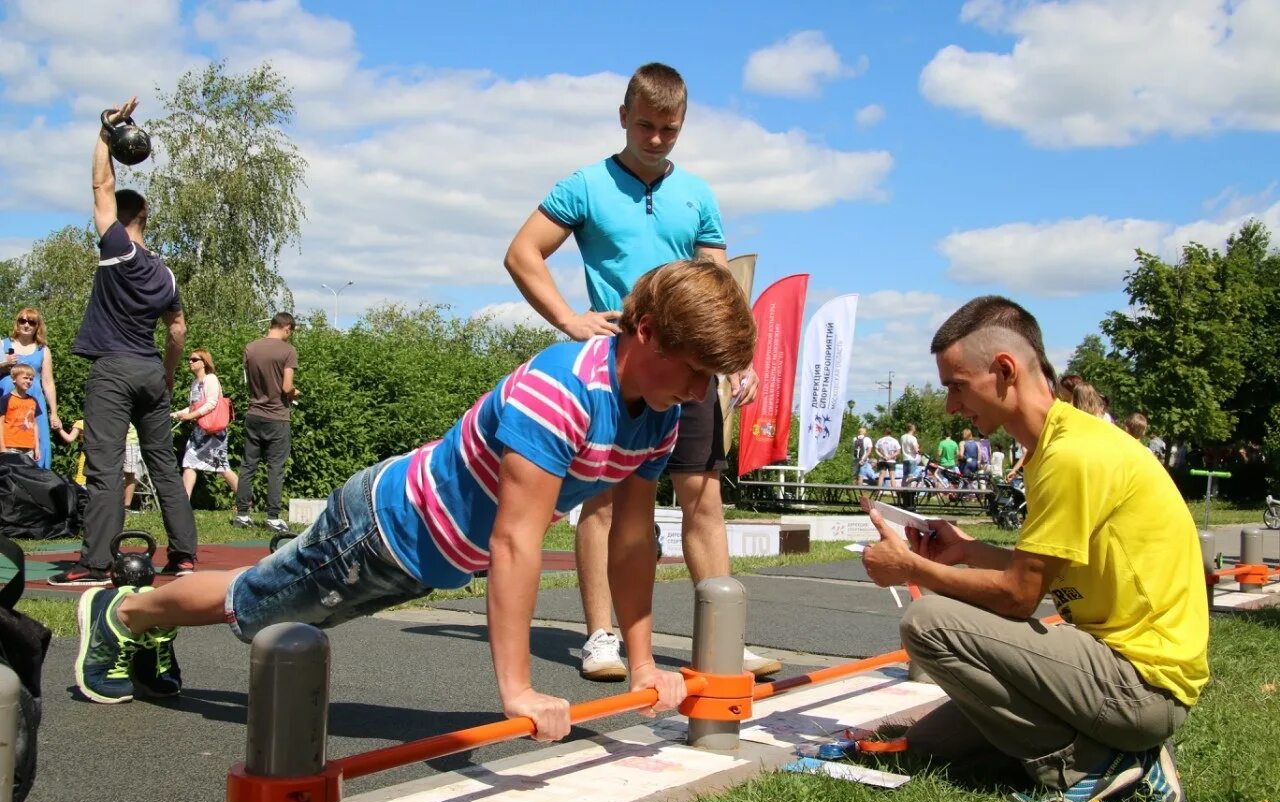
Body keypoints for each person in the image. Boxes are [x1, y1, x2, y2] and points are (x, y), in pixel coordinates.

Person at [74, 259, 753, 742]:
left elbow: (632, 541)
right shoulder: (563, 392)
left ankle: (146, 622)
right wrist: (516, 691)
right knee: (251, 606)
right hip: (379, 529)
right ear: (645, 334)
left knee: (259, 609)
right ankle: (122, 610)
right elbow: (516, 540)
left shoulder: (659, 413)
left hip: (423, 556)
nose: (700, 392)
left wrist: (642, 664)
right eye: (694, 369)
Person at [862, 295, 1207, 802]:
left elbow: (1021, 597)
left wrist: (911, 567)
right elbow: (1046, 572)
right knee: (933, 747)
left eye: (956, 387)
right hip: (1124, 671)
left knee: (928, 622)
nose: (951, 406)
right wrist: (966, 551)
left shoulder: (1070, 455)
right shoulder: (1061, 445)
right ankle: (1116, 751)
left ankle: (1096, 767)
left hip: (1140, 687)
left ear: (1004, 370)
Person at [504, 62, 775, 680]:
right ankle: (601, 636)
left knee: (704, 502)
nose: (656, 139)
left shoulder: (698, 194)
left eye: (669, 129)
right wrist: (570, 319)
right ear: (623, 116)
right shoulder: (586, 185)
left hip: (693, 368)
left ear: (683, 125)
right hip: (622, 366)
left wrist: (740, 362)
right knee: (607, 505)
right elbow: (522, 253)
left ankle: (722, 635)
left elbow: (719, 286)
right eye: (646, 126)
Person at [52, 96, 199, 586]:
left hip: (114, 371)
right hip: (150, 373)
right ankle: (184, 557)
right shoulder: (165, 273)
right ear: (148, 216)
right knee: (163, 466)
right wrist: (169, 375)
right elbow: (177, 331)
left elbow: (101, 183)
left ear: (123, 216)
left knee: (105, 468)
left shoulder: (117, 249)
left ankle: (95, 562)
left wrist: (105, 133)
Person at [231, 313, 298, 534]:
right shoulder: (288, 351)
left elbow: (249, 381)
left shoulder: (251, 348)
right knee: (275, 468)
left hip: (254, 413)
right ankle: (273, 517)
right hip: (277, 417)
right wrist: (296, 392)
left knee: (248, 465)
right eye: (291, 332)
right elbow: (286, 387)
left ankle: (242, 515)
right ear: (287, 327)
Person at [173, 349, 239, 500]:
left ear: (204, 362)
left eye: (194, 359)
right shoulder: (195, 383)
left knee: (223, 468)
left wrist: (190, 416)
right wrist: (176, 414)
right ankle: (184, 502)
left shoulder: (210, 379)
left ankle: (245, 501)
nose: (190, 362)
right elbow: (193, 407)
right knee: (189, 463)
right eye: (189, 359)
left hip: (213, 432)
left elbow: (211, 404)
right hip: (200, 430)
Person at [1, 308, 60, 468]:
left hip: (33, 407)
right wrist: (4, 363)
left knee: (37, 444)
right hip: (6, 403)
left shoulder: (43, 350)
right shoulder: (3, 344)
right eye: (22, 320)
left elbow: (48, 382)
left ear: (37, 326)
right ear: (17, 323)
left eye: (31, 322)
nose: (26, 325)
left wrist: (53, 412)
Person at [0, 364, 42, 462]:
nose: (28, 381)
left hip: (28, 448)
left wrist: (36, 447)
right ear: (14, 379)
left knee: (26, 476)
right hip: (10, 446)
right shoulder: (6, 399)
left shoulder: (33, 401)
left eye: (31, 379)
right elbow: (0, 424)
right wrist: (2, 447)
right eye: (25, 378)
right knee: (11, 475)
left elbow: (34, 425)